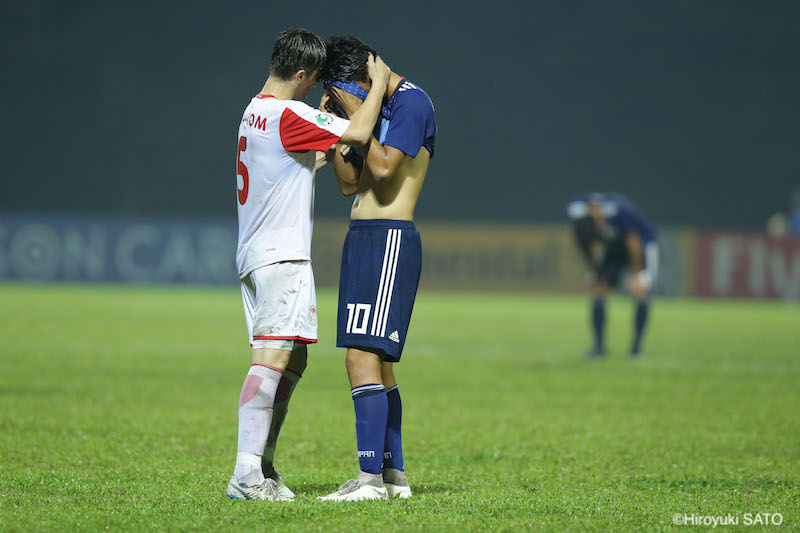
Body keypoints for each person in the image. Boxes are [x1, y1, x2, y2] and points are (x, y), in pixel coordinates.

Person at [227, 27, 390, 501]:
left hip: (255, 254)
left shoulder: (254, 109)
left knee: (292, 357)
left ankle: (263, 465)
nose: (315, 90)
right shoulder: (287, 114)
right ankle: (244, 474)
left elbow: (289, 164)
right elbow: (358, 133)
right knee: (273, 357)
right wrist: (376, 84)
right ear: (301, 74)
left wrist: (316, 150)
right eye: (313, 80)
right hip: (282, 256)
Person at [315, 35, 437, 502]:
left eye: (339, 90)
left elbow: (384, 170)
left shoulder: (411, 102)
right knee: (379, 368)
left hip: (389, 242)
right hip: (365, 240)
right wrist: (342, 127)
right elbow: (352, 186)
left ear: (360, 80)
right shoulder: (371, 111)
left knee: (359, 357)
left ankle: (368, 482)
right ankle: (392, 478)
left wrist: (357, 121)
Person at [566, 193, 658, 358]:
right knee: (597, 289)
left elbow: (633, 242)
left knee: (640, 291)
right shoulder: (580, 221)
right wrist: (596, 272)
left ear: (595, 210)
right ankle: (599, 348)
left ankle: (636, 349)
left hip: (641, 247)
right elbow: (584, 248)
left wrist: (636, 275)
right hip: (613, 249)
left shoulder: (618, 212)